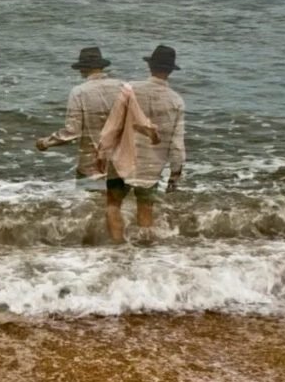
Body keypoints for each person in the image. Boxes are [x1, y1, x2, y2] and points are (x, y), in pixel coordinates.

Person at [101, 44, 185, 241]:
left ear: (150, 66)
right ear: (171, 71)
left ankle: (118, 247)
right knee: (146, 208)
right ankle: (144, 251)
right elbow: (177, 144)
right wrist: (175, 173)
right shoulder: (176, 101)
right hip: (151, 166)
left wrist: (103, 152)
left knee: (113, 205)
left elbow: (112, 125)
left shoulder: (129, 90)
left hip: (122, 159)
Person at [35, 47, 123, 188]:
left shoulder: (79, 92)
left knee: (89, 200)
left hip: (92, 165)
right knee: (117, 200)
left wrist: (46, 143)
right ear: (102, 66)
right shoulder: (123, 87)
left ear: (82, 68)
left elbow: (72, 132)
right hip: (121, 163)